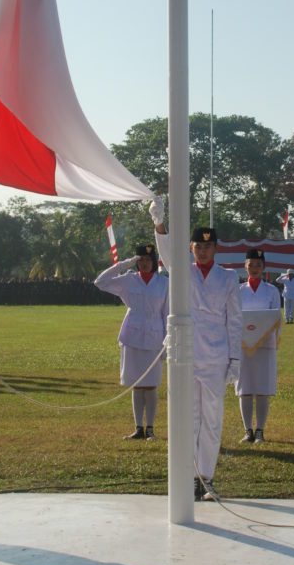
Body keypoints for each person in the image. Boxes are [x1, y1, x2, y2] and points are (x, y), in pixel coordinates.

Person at [150, 199, 242, 500]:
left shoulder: (228, 277)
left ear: (215, 248)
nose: (203, 251)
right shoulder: (183, 271)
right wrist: (159, 224)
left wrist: (235, 359)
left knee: (212, 419)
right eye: (198, 247)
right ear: (191, 248)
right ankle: (188, 477)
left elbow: (235, 319)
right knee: (188, 418)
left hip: (216, 355)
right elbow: (165, 255)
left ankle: (206, 477)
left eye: (208, 246)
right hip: (188, 354)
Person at [94, 243, 169, 440]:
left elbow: (167, 313)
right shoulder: (128, 280)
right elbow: (100, 282)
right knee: (136, 384)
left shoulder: (164, 283)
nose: (145, 264)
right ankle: (138, 428)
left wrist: (167, 343)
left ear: (154, 262)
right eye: (141, 260)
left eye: (148, 260)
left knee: (151, 384)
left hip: (155, 336)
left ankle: (150, 428)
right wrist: (124, 264)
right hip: (133, 335)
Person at [236, 249, 281, 445]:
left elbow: (276, 317)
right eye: (250, 265)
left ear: (263, 267)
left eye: (258, 265)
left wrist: (269, 338)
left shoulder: (271, 291)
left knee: (262, 388)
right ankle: (248, 430)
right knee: (244, 387)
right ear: (245, 267)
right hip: (243, 344)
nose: (254, 269)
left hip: (264, 345)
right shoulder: (238, 291)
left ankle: (260, 430)